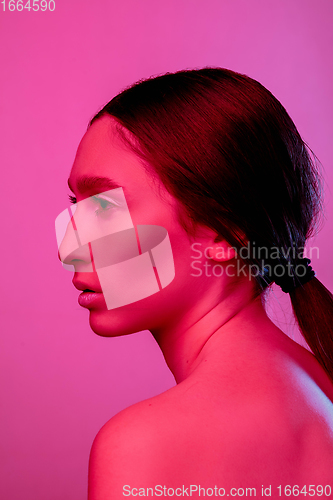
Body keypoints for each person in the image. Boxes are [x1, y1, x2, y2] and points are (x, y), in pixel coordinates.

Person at [60, 68, 333, 498]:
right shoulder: (322, 386)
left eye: (104, 207)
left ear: (224, 232)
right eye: (76, 206)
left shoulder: (142, 445)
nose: (69, 248)